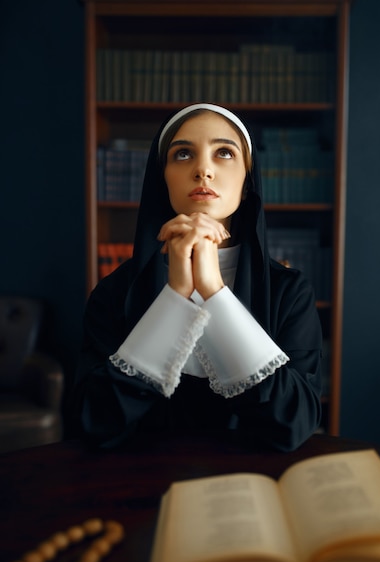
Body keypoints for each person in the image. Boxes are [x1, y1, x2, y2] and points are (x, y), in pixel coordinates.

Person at [73, 103, 322, 451]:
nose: (203, 169)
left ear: (247, 183)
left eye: (223, 153)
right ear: (163, 178)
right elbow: (91, 420)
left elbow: (293, 424)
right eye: (183, 154)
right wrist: (176, 295)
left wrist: (213, 291)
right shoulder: (115, 292)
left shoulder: (289, 292)